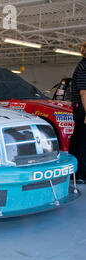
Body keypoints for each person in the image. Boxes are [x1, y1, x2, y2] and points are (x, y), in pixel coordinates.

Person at [70, 42, 86, 184]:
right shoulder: (83, 66)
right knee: (83, 141)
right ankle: (80, 174)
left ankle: (76, 172)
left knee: (79, 139)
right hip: (82, 107)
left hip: (82, 106)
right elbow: (84, 93)